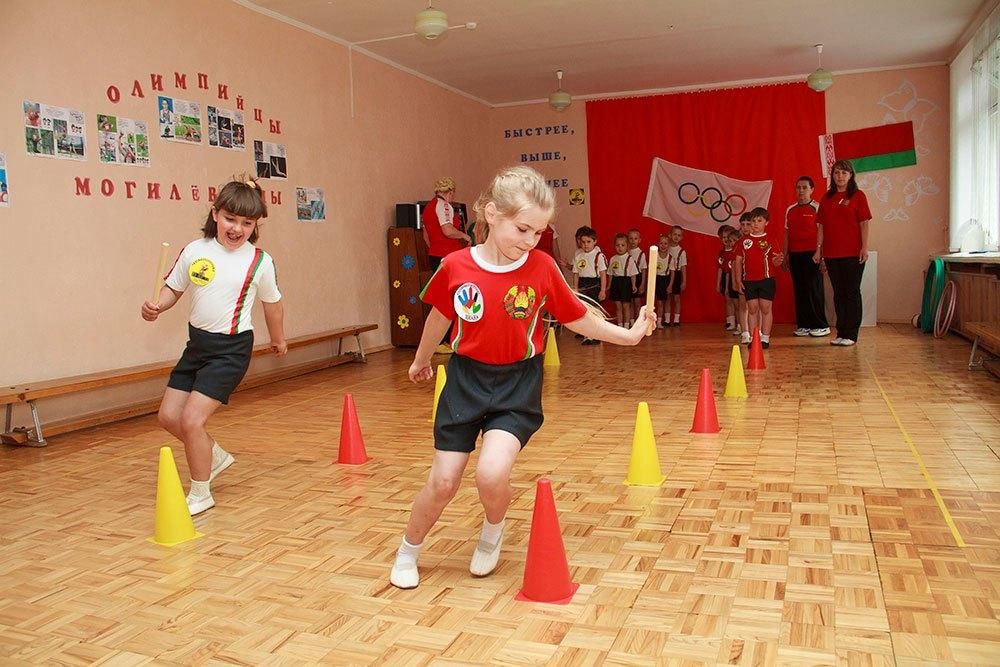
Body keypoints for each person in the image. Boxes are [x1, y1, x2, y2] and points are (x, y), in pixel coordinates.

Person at [389, 165, 655, 590]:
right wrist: (421, 360)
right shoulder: (455, 266)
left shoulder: (542, 267)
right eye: (522, 229)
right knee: (443, 481)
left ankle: (492, 533)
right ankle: (408, 549)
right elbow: (440, 317)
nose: (530, 242)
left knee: (491, 474)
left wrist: (627, 335)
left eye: (538, 233)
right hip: (464, 381)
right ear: (491, 214)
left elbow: (577, 317)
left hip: (517, 384)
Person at [141, 176, 286, 516]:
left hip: (232, 351)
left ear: (255, 226)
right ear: (215, 214)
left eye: (246, 223)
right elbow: (174, 288)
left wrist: (278, 338)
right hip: (197, 347)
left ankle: (201, 492)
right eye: (230, 219)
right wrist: (157, 306)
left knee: (191, 420)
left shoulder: (260, 261)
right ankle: (213, 454)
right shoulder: (195, 250)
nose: (237, 228)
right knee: (167, 417)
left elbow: (273, 304)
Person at [814, 160, 872, 347]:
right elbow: (821, 226)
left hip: (853, 253)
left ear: (851, 176)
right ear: (832, 175)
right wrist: (819, 250)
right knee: (838, 293)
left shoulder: (858, 196)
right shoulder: (826, 198)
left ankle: (851, 334)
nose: (840, 176)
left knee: (851, 292)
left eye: (844, 173)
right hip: (832, 254)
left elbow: (864, 223)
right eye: (837, 173)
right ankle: (841, 332)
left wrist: (864, 247)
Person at [422, 177, 472, 354]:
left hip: (435, 254)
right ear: (450, 192)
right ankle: (448, 339)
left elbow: (426, 237)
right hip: (447, 256)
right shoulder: (444, 206)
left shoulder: (428, 207)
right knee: (451, 298)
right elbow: (447, 230)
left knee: (442, 298)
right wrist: (465, 237)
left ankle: (442, 339)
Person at [784, 177, 830, 337]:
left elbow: (823, 233)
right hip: (795, 255)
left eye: (804, 187)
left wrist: (821, 255)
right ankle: (804, 324)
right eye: (798, 187)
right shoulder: (790, 209)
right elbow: (787, 234)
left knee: (814, 289)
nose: (801, 190)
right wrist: (785, 255)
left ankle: (821, 325)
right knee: (800, 290)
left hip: (813, 254)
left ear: (812, 189)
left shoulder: (817, 208)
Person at [732, 207, 784, 348]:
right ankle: (754, 338)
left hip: (767, 280)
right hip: (749, 280)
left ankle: (765, 338)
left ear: (766, 222)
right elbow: (737, 261)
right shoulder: (743, 241)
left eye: (759, 221)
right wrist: (738, 280)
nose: (755, 224)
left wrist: (778, 261)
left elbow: (776, 260)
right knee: (752, 308)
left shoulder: (771, 239)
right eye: (753, 221)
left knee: (766, 308)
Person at [572, 225, 608, 345]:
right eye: (583, 242)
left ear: (595, 241)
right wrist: (576, 289)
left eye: (588, 242)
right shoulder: (578, 256)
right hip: (583, 284)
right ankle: (587, 335)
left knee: (595, 311)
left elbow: (603, 274)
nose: (586, 245)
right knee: (585, 311)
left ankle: (597, 334)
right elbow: (576, 273)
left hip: (594, 284)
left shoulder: (599, 256)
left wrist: (602, 290)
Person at [608, 233, 639, 327]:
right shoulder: (613, 259)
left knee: (626, 306)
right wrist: (609, 285)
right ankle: (620, 325)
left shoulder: (629, 259)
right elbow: (610, 274)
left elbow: (633, 274)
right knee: (618, 306)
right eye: (617, 245)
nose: (620, 248)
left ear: (627, 246)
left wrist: (633, 285)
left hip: (626, 282)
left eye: (622, 245)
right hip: (615, 283)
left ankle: (626, 325)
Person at [717, 225, 739, 331]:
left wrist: (728, 285)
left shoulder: (734, 252)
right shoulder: (722, 252)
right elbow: (721, 268)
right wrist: (718, 284)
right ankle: (730, 322)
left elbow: (731, 271)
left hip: (733, 277)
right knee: (728, 300)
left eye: (728, 238)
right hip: (725, 277)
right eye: (724, 237)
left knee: (736, 302)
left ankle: (739, 323)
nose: (726, 240)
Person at [664, 225, 687, 326]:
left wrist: (684, 281)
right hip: (666, 274)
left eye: (679, 235)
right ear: (670, 235)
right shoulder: (666, 248)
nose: (676, 237)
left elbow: (683, 267)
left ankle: (676, 319)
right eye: (674, 234)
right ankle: (667, 320)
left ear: (681, 237)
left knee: (676, 298)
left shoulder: (682, 252)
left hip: (677, 275)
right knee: (667, 298)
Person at [627, 228, 648, 323]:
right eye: (630, 238)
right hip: (627, 279)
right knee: (629, 302)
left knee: (637, 303)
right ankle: (631, 322)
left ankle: (639, 322)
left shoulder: (641, 254)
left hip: (638, 278)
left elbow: (644, 270)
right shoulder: (625, 252)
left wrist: (642, 284)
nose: (633, 241)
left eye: (635, 238)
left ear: (639, 240)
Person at [654, 233, 670, 329]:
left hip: (665, 280)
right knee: (657, 302)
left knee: (663, 302)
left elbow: (672, 273)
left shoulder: (670, 257)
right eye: (661, 243)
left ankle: (662, 321)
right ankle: (655, 322)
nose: (663, 245)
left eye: (665, 243)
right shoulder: (654, 256)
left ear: (668, 245)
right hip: (656, 279)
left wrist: (670, 285)